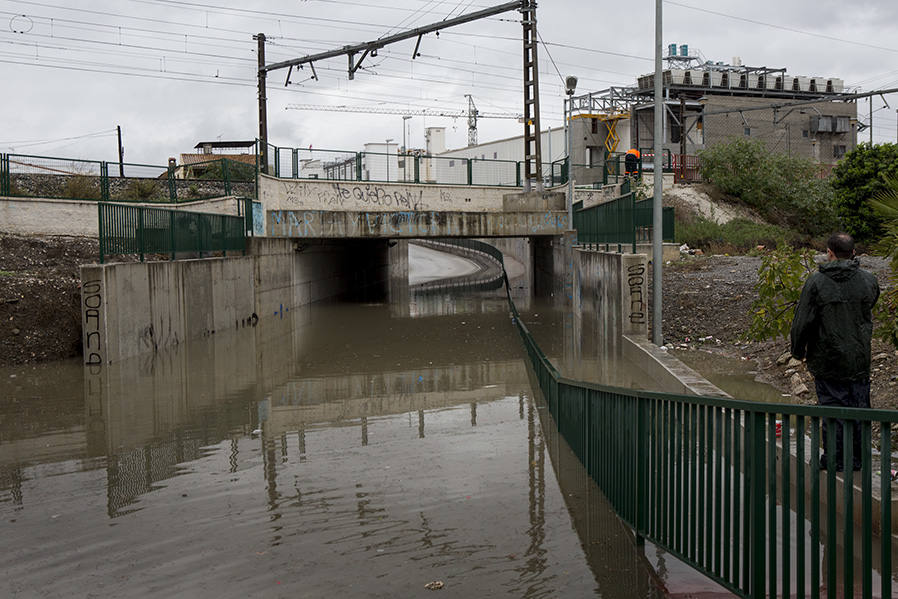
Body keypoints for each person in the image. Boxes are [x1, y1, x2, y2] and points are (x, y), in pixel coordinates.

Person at [790, 232, 880, 471]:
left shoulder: (816, 282)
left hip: (827, 358)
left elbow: (802, 322)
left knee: (833, 409)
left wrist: (798, 351)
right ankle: (859, 459)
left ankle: (836, 460)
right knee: (859, 407)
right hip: (859, 358)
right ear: (853, 253)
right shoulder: (868, 280)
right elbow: (870, 304)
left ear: (829, 253)